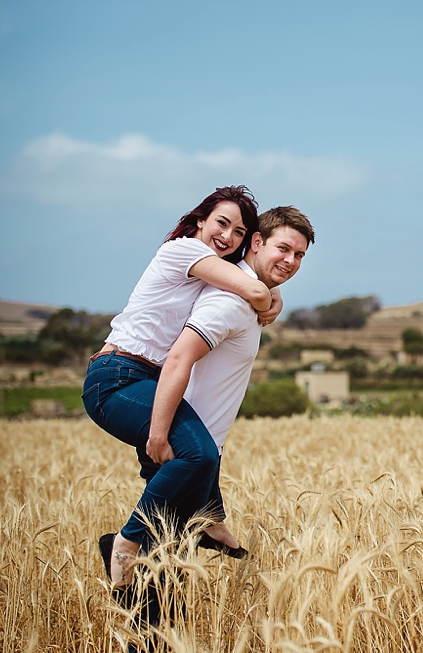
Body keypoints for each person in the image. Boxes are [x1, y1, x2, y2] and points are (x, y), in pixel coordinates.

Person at [83, 186, 282, 588]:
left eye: (239, 233)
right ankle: (124, 542)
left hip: (145, 379)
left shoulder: (209, 274)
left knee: (192, 459)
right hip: (117, 376)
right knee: (198, 453)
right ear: (199, 221)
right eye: (222, 224)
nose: (228, 237)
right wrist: (269, 299)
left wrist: (271, 295)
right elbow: (257, 290)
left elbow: (259, 288)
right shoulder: (182, 250)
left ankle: (208, 520)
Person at [149, 205, 314, 556]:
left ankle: (209, 521)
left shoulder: (251, 297)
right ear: (257, 242)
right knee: (159, 564)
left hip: (203, 450)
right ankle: (117, 549)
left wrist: (272, 295)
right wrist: (160, 434)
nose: (291, 260)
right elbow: (180, 357)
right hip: (185, 449)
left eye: (299, 254)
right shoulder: (230, 302)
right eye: (283, 248)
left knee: (170, 565)